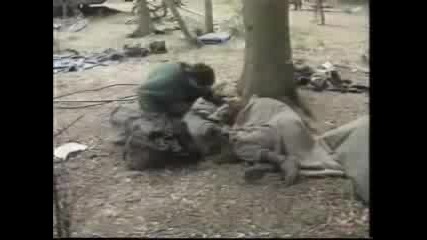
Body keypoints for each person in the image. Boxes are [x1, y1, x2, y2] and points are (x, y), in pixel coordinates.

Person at [138, 62, 224, 118]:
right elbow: (143, 91)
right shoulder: (169, 81)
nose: (205, 88)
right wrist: (157, 114)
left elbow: (206, 91)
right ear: (192, 79)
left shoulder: (197, 75)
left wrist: (219, 102)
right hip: (156, 97)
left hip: (181, 90)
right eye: (202, 86)